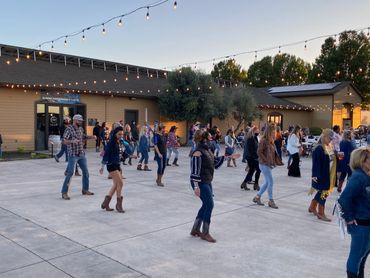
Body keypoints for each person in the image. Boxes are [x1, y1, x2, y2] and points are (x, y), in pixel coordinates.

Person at [190, 130, 240, 243]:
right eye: (209, 135)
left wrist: (230, 156)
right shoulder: (197, 152)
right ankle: (205, 233)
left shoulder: (207, 149)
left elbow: (216, 162)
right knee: (210, 205)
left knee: (206, 205)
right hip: (200, 182)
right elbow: (194, 171)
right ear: (204, 138)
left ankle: (195, 229)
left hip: (207, 180)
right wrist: (196, 187)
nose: (211, 136)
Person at [338, 148, 370, 278]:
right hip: (361, 226)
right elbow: (344, 199)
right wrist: (349, 218)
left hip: (366, 224)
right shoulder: (358, 177)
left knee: (362, 258)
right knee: (356, 258)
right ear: (363, 161)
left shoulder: (365, 176)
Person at [60, 114, 94, 200]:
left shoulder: (80, 129)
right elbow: (63, 141)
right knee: (70, 173)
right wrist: (72, 141)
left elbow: (83, 137)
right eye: (80, 121)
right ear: (75, 120)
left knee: (86, 172)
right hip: (73, 155)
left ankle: (85, 190)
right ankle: (64, 192)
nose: (81, 122)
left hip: (81, 154)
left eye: (81, 121)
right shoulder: (69, 129)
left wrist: (92, 137)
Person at [252, 124, 283, 209]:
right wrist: (265, 161)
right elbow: (259, 152)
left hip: (269, 164)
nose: (275, 133)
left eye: (275, 132)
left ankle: (257, 197)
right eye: (273, 132)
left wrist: (274, 162)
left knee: (267, 182)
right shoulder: (264, 140)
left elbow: (273, 153)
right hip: (264, 164)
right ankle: (271, 201)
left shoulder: (271, 141)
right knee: (271, 182)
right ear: (269, 132)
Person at [308, 129, 336, 221]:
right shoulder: (319, 148)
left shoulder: (327, 146)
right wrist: (315, 175)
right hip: (321, 175)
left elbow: (331, 158)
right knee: (324, 193)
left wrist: (336, 155)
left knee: (321, 192)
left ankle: (312, 207)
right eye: (330, 138)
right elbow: (316, 163)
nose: (331, 140)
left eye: (332, 139)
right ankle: (321, 213)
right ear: (324, 137)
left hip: (328, 174)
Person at [100, 126, 127, 213]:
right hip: (111, 165)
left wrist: (130, 156)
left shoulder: (120, 142)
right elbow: (106, 154)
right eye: (119, 134)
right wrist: (102, 167)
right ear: (115, 134)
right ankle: (118, 205)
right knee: (121, 183)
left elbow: (121, 153)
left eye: (122, 134)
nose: (120, 136)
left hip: (118, 165)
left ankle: (106, 203)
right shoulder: (111, 143)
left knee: (116, 185)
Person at [240, 126, 261, 191]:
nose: (258, 132)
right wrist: (257, 157)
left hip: (253, 157)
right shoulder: (250, 138)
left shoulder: (255, 138)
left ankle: (244, 183)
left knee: (251, 171)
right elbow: (251, 150)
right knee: (258, 170)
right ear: (254, 131)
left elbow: (256, 148)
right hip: (252, 157)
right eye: (257, 131)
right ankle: (256, 184)